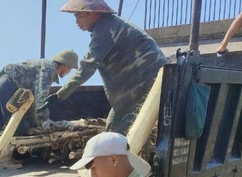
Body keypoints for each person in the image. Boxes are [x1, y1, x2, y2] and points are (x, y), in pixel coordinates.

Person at [38, 0, 167, 135]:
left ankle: (126, 154)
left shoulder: (105, 30)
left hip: (145, 80)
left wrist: (61, 94)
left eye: (80, 16)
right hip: (146, 81)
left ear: (95, 14)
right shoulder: (109, 25)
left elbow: (87, 68)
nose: (76, 21)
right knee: (120, 127)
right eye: (75, 16)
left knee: (117, 131)